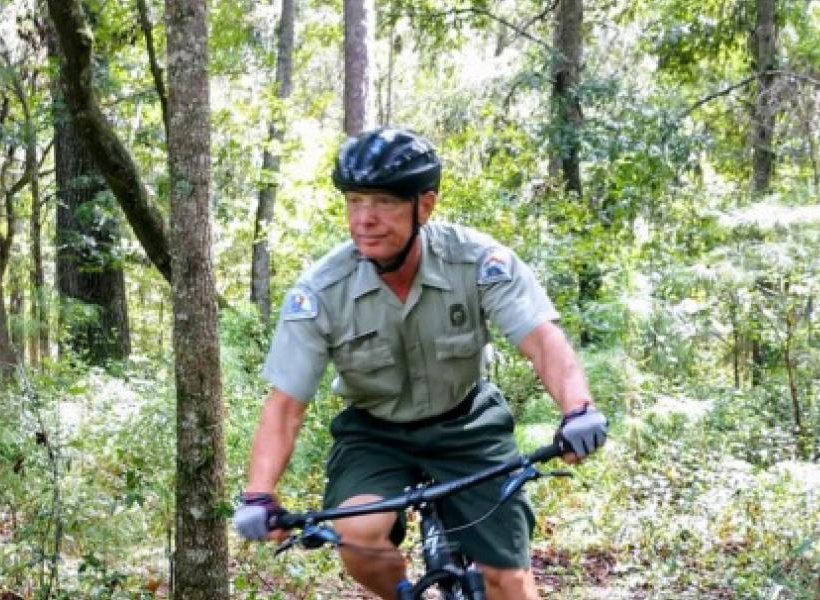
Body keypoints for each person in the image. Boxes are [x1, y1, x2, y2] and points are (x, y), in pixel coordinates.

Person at [233, 127, 608, 600]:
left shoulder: (476, 262)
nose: (364, 218)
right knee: (359, 535)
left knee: (509, 582)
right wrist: (259, 494)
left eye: (385, 202)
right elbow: (286, 405)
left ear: (424, 206)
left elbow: (541, 341)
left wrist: (578, 409)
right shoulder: (323, 291)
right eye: (354, 201)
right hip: (376, 434)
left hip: (467, 424)